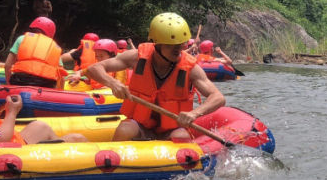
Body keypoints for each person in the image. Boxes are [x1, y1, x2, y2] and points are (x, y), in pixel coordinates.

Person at [85, 12, 225, 142]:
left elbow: (218, 97)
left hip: (172, 129)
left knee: (181, 136)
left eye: (181, 44)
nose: (178, 49)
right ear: (157, 44)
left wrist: (195, 113)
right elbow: (93, 69)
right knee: (125, 129)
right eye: (171, 46)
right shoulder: (136, 57)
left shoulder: (191, 68)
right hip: (140, 125)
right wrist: (113, 83)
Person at [4, 17, 66, 88]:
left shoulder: (21, 38)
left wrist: (9, 85)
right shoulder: (55, 46)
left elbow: (7, 65)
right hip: (45, 85)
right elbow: (61, 78)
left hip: (20, 81)